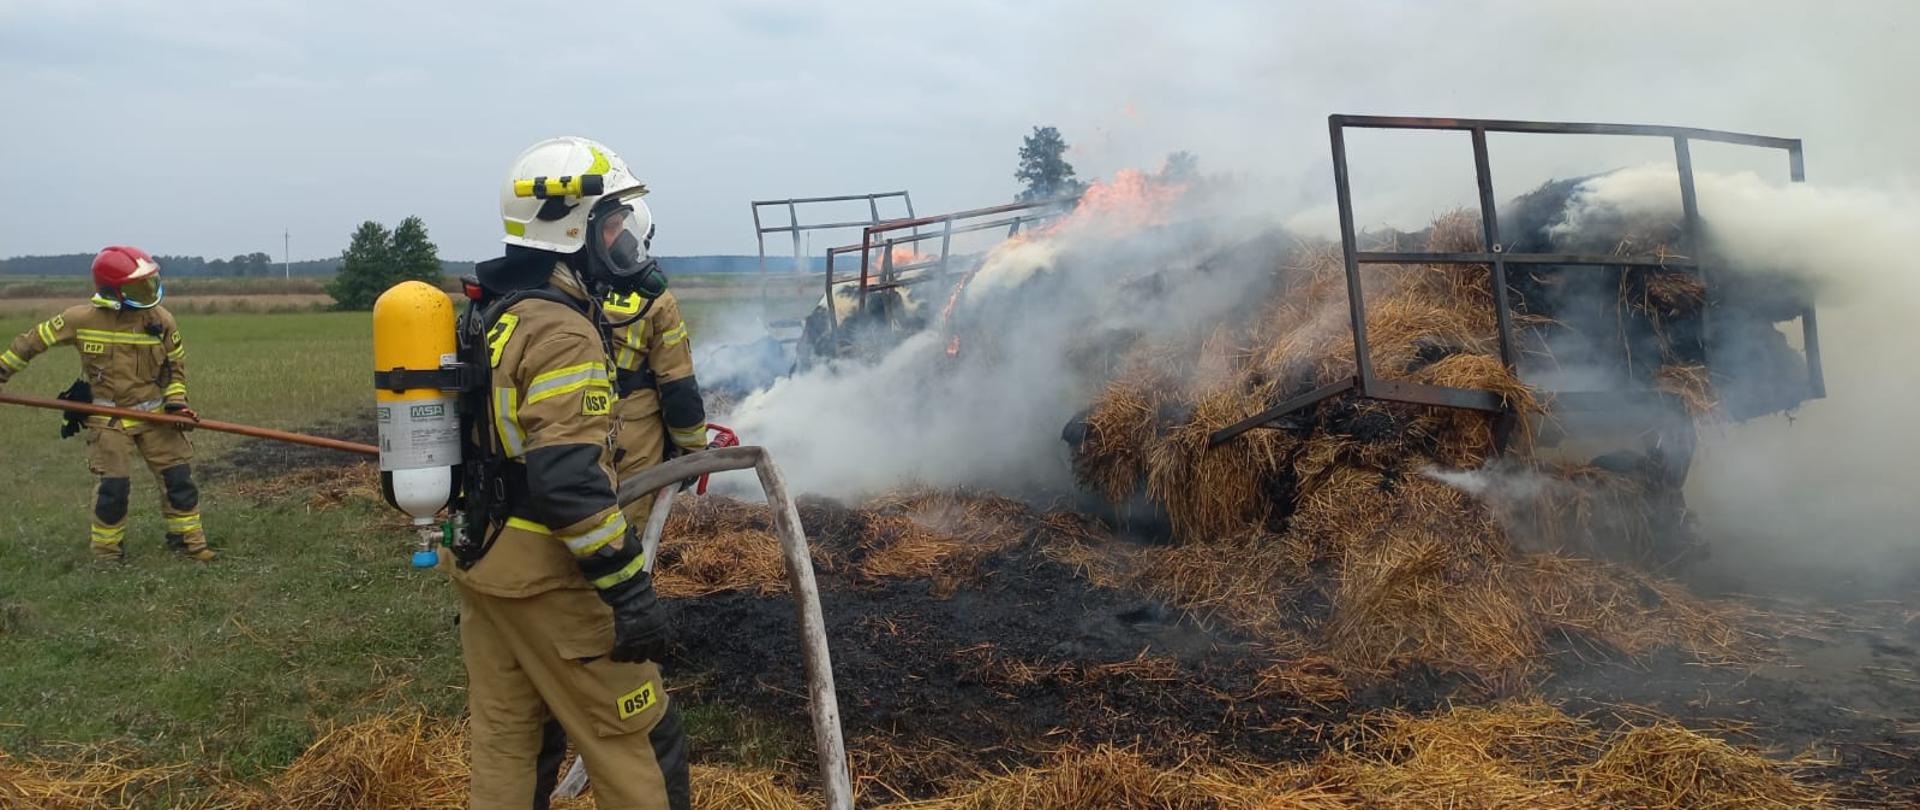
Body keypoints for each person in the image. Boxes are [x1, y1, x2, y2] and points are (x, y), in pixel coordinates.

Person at [449, 136, 688, 810]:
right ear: (573, 226)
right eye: (612, 224)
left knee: (510, 742)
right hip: (550, 577)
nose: (622, 241)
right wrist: (627, 590)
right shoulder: (563, 331)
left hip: (485, 562)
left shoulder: (494, 313)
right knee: (641, 739)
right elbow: (568, 483)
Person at [0, 246, 213, 562]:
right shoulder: (80, 319)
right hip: (108, 417)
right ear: (111, 291)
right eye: (138, 287)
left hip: (156, 416)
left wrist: (177, 402)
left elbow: (176, 368)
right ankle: (107, 555)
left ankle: (188, 543)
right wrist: (2, 372)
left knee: (178, 480)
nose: (148, 293)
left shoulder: (161, 320)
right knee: (114, 490)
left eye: (150, 284)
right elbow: (30, 343)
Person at [603, 282, 707, 528]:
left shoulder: (548, 295)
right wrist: (693, 453)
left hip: (557, 444)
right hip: (628, 445)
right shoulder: (652, 301)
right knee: (626, 535)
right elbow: (677, 386)